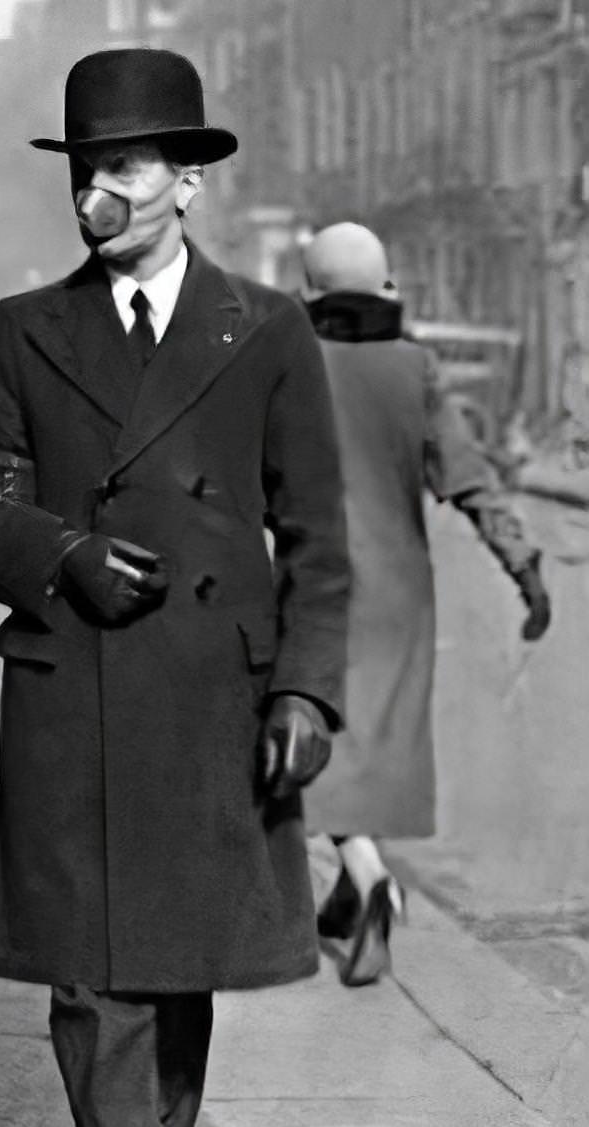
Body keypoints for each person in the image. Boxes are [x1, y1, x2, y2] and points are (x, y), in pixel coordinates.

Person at [0, 49, 349, 1127]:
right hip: (75, 691)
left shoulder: (264, 328)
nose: (92, 196)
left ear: (188, 182)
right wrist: (59, 552)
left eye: (120, 167)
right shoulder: (26, 332)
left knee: (173, 978)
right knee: (92, 979)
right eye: (80, 171)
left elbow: (316, 536)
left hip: (212, 700)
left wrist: (303, 689)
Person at [299, 221, 552, 987]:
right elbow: (470, 479)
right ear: (387, 290)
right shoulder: (419, 369)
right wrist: (523, 567)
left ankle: (369, 877)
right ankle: (348, 897)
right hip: (401, 593)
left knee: (314, 746)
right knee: (371, 748)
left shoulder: (290, 363)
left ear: (306, 292)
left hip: (311, 585)